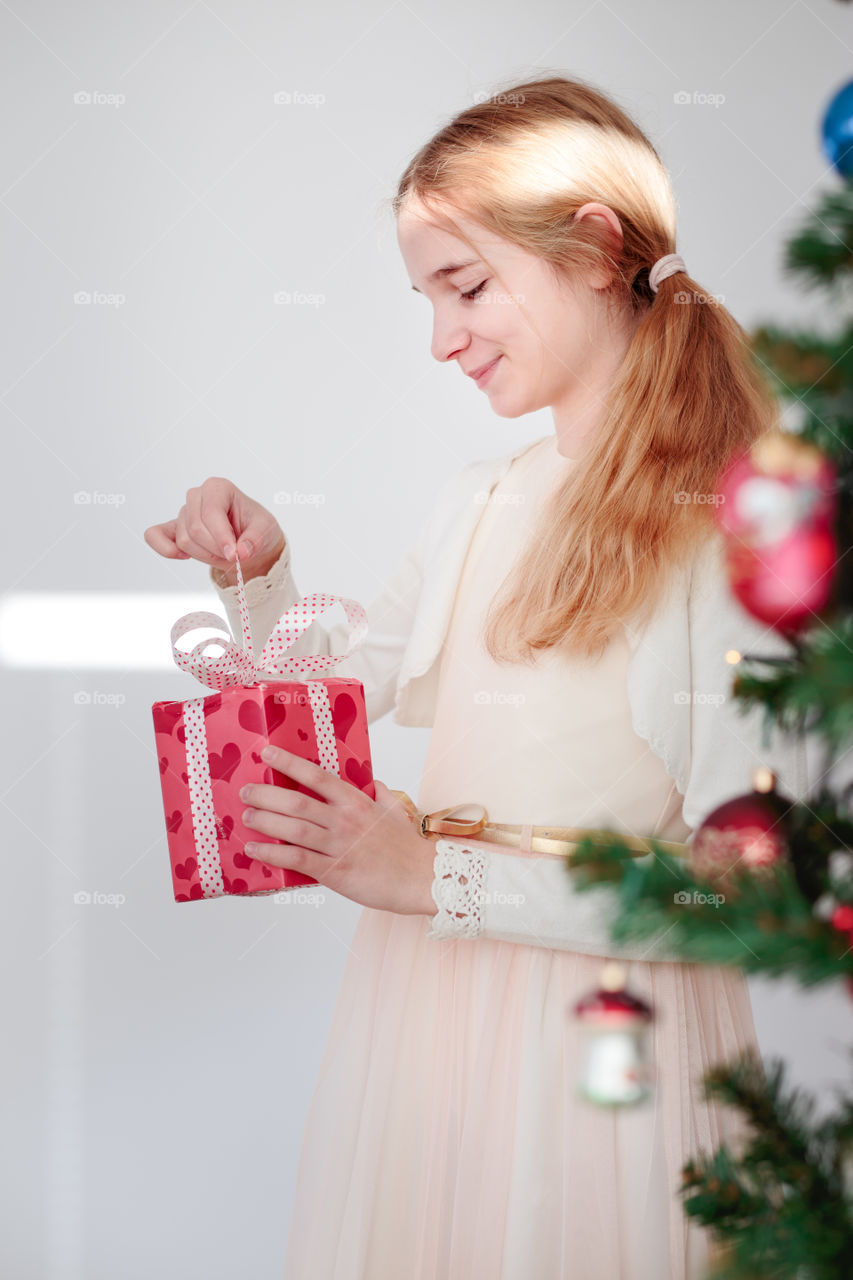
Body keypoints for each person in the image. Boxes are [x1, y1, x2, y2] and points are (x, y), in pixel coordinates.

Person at [145, 75, 813, 1280]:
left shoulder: (720, 532)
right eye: (425, 297)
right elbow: (328, 691)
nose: (441, 337)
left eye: (465, 285)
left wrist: (436, 875)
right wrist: (256, 571)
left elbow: (743, 901)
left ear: (599, 250)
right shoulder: (481, 498)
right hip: (434, 1013)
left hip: (593, 1046)